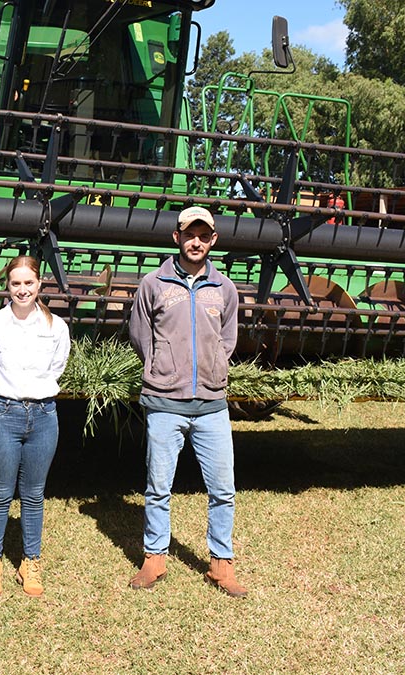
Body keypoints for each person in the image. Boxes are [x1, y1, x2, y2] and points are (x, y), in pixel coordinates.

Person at [127, 205, 247, 598]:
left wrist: (213, 367)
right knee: (159, 487)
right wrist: (162, 366)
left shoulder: (224, 288)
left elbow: (227, 339)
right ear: (176, 237)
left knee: (223, 489)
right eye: (189, 234)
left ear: (213, 240)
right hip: (164, 402)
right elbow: (140, 334)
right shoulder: (154, 284)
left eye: (204, 235)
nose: (196, 241)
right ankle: (155, 558)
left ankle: (221, 565)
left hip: (212, 404)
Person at [0, 256, 70, 598]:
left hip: (44, 415)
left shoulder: (56, 327)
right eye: (16, 283)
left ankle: (31, 561)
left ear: (40, 285)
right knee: (0, 494)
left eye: (29, 283)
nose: (22, 290)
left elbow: (57, 367)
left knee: (33, 494)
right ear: (7, 286)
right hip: (3, 413)